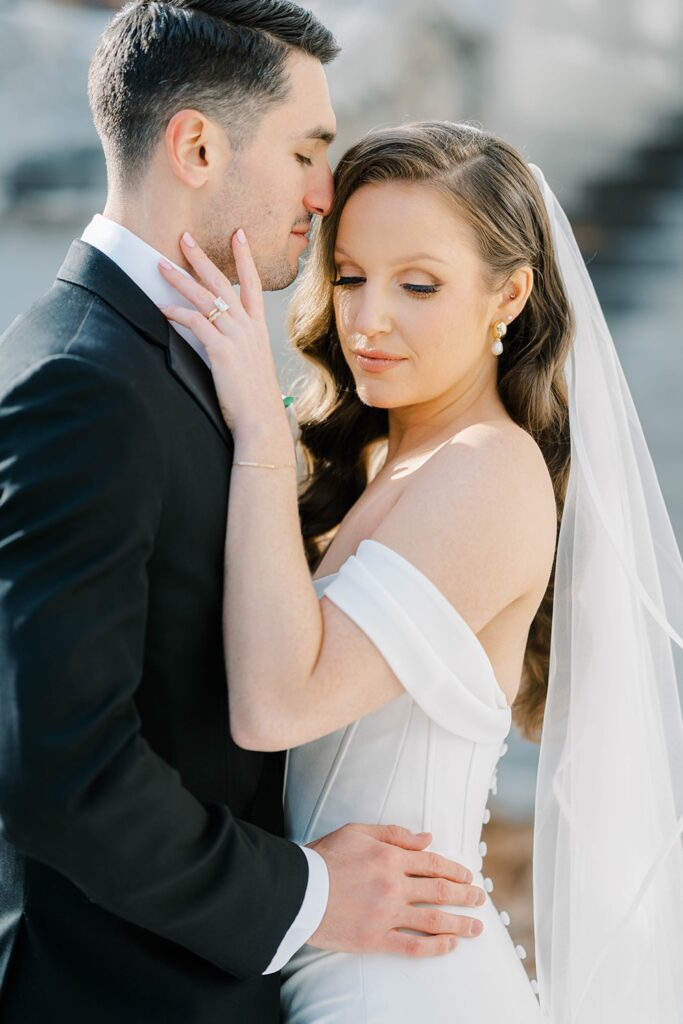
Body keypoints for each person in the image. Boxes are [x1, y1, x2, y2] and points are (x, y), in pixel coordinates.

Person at [0, 7, 488, 1023]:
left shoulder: (159, 358)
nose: (324, 190)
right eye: (307, 150)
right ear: (196, 144)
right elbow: (60, 768)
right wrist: (306, 894)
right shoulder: (85, 384)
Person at [159, 120, 683, 1022]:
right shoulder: (379, 468)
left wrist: (257, 431)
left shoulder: (488, 468)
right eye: (351, 277)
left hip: (402, 985)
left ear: (507, 294)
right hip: (329, 964)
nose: (367, 320)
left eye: (418, 285)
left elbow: (277, 703)